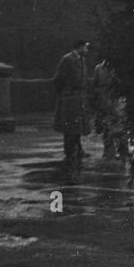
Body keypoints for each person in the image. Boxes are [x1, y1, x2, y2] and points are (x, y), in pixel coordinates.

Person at [53, 40, 91, 176]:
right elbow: (58, 78)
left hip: (78, 96)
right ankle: (70, 152)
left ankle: (77, 150)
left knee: (76, 125)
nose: (87, 50)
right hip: (70, 97)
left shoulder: (80, 59)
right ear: (79, 47)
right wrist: (65, 93)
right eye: (86, 48)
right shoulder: (67, 59)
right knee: (70, 125)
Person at [92, 58, 128, 161]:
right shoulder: (98, 68)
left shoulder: (120, 68)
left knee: (121, 128)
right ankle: (109, 153)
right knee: (107, 129)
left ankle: (122, 152)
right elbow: (95, 86)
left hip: (118, 102)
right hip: (104, 102)